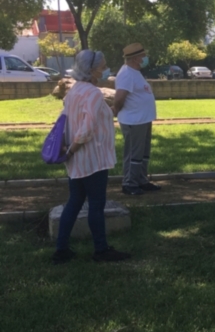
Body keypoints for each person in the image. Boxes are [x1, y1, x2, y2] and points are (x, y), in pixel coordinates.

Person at [52, 50, 131, 264]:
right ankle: (101, 250)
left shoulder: (74, 91)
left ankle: (61, 249)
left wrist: (69, 152)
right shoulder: (94, 94)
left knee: (74, 202)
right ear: (91, 70)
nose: (105, 70)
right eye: (102, 66)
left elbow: (68, 119)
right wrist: (72, 149)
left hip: (77, 160)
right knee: (96, 204)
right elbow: (87, 128)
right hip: (93, 158)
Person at [113, 43, 159, 196]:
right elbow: (120, 97)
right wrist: (115, 110)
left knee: (143, 154)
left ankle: (141, 180)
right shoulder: (126, 74)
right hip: (134, 120)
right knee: (134, 154)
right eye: (143, 56)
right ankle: (129, 183)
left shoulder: (135, 72)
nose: (145, 58)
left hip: (143, 119)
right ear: (135, 58)